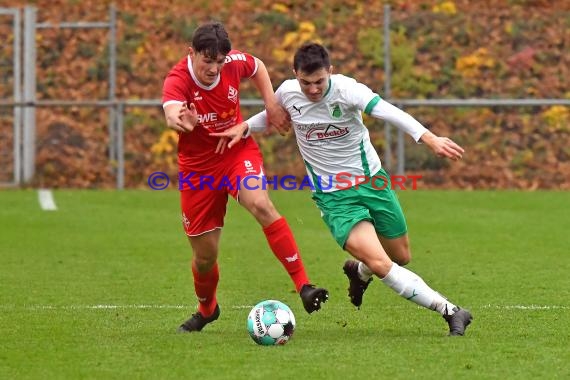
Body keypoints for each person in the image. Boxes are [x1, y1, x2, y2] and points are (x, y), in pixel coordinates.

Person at [211, 42, 473, 336]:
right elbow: (271, 116)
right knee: (381, 262)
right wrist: (244, 126)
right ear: (294, 73)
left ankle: (358, 272)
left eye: (319, 81)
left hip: (373, 182)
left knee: (400, 256)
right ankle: (450, 311)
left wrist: (429, 138)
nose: (312, 89)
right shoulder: (287, 92)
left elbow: (388, 111)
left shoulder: (347, 90)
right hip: (335, 199)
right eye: (305, 82)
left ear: (330, 73)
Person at [161, 24, 328, 333]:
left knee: (261, 203)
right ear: (191, 53)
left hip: (237, 152)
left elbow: (258, 66)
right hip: (198, 171)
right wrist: (181, 120)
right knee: (205, 258)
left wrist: (270, 103)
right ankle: (207, 308)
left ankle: (304, 284)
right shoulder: (178, 79)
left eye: (219, 62)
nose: (213, 69)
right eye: (206, 61)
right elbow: (171, 111)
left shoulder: (233, 63)